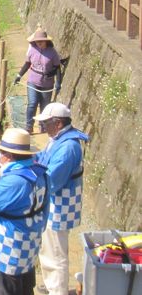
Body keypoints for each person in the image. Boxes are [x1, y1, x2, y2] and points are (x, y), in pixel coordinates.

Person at [0, 128, 49, 295]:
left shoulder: (14, 182)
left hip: (9, 250)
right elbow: (45, 209)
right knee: (25, 287)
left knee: (6, 289)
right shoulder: (41, 174)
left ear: (8, 155)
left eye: (1, 151)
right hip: (30, 245)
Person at [33, 103, 89, 295]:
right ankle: (52, 287)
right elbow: (43, 157)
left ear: (57, 123)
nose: (42, 127)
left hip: (59, 207)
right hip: (53, 205)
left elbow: (52, 179)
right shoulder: (57, 139)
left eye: (45, 123)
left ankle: (58, 291)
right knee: (48, 250)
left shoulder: (68, 148)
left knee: (56, 254)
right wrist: (29, 159)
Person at [14, 27, 62, 133]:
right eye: (36, 41)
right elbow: (27, 64)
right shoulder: (32, 49)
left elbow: (58, 68)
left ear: (45, 41)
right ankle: (29, 126)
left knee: (44, 106)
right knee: (32, 103)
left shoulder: (52, 53)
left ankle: (43, 126)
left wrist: (59, 82)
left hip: (47, 83)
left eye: (40, 41)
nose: (38, 43)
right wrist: (19, 75)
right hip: (33, 81)